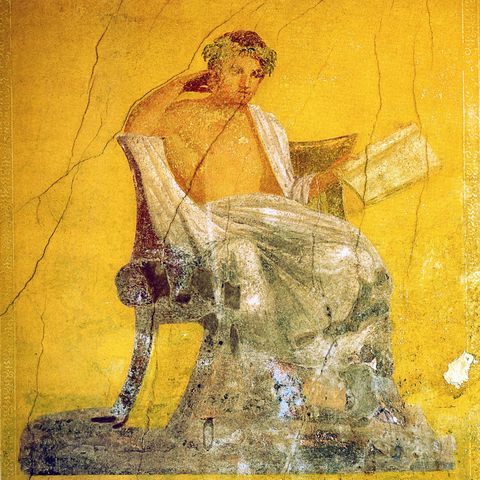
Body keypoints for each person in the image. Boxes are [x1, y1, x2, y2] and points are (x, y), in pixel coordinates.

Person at [114, 30, 395, 427]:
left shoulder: (265, 125)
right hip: (207, 225)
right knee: (242, 254)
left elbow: (287, 195)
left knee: (350, 254)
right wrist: (183, 82)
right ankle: (278, 386)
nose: (247, 82)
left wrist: (331, 176)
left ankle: (353, 387)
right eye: (236, 70)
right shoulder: (178, 114)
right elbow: (133, 130)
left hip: (271, 220)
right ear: (213, 70)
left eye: (256, 74)